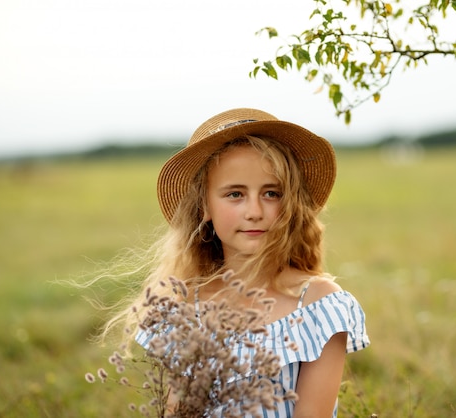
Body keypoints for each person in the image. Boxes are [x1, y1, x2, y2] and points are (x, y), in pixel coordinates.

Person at [102, 108, 369, 417]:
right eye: (235, 194)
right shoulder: (184, 307)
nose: (254, 211)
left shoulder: (318, 305)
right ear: (205, 205)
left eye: (271, 193)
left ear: (292, 204)